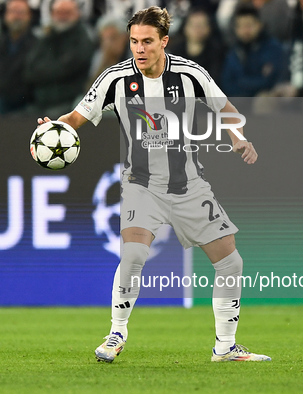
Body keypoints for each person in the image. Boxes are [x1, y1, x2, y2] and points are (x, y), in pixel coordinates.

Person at [37, 6, 271, 363]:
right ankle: (116, 333)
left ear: (164, 41)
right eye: (134, 41)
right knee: (132, 253)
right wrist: (57, 126)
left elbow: (225, 109)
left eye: (147, 41)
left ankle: (225, 347)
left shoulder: (191, 75)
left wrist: (238, 137)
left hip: (188, 184)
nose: (139, 49)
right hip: (140, 183)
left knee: (231, 263)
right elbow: (77, 116)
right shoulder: (114, 79)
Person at [23, 0, 94, 118]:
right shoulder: (45, 39)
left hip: (69, 103)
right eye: (58, 12)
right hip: (40, 102)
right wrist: (53, 68)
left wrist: (44, 71)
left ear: (77, 14)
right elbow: (29, 70)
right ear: (51, 14)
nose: (62, 17)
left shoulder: (83, 40)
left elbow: (67, 69)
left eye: (67, 13)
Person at [221, 5, 285, 97]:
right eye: (241, 26)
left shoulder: (273, 48)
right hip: (238, 100)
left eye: (249, 25)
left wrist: (241, 81)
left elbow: (269, 82)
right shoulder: (233, 51)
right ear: (236, 29)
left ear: (259, 25)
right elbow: (226, 84)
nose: (245, 30)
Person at [0, 0, 35, 114]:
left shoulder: (37, 45)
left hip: (24, 102)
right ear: (5, 16)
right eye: (13, 12)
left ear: (29, 17)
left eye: (21, 12)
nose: (16, 16)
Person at [168, 7, 225, 79]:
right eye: (194, 25)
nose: (198, 29)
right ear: (185, 28)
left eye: (202, 25)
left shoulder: (217, 52)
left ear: (209, 28)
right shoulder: (174, 52)